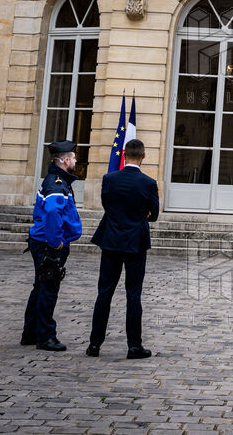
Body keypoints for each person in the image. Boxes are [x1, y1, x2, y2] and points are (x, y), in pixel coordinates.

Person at [87, 138, 159, 360]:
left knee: (104, 292)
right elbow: (154, 214)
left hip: (111, 240)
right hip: (135, 242)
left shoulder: (109, 179)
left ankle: (94, 344)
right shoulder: (148, 183)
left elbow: (107, 206)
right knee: (133, 294)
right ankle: (134, 346)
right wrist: (143, 213)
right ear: (143, 156)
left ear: (124, 155)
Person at [21, 140, 83, 351]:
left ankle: (30, 333)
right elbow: (52, 212)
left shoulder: (56, 180)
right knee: (48, 289)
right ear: (65, 161)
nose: (75, 161)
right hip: (49, 245)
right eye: (73, 158)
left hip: (42, 242)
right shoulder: (57, 183)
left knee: (40, 287)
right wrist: (56, 242)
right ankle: (46, 336)